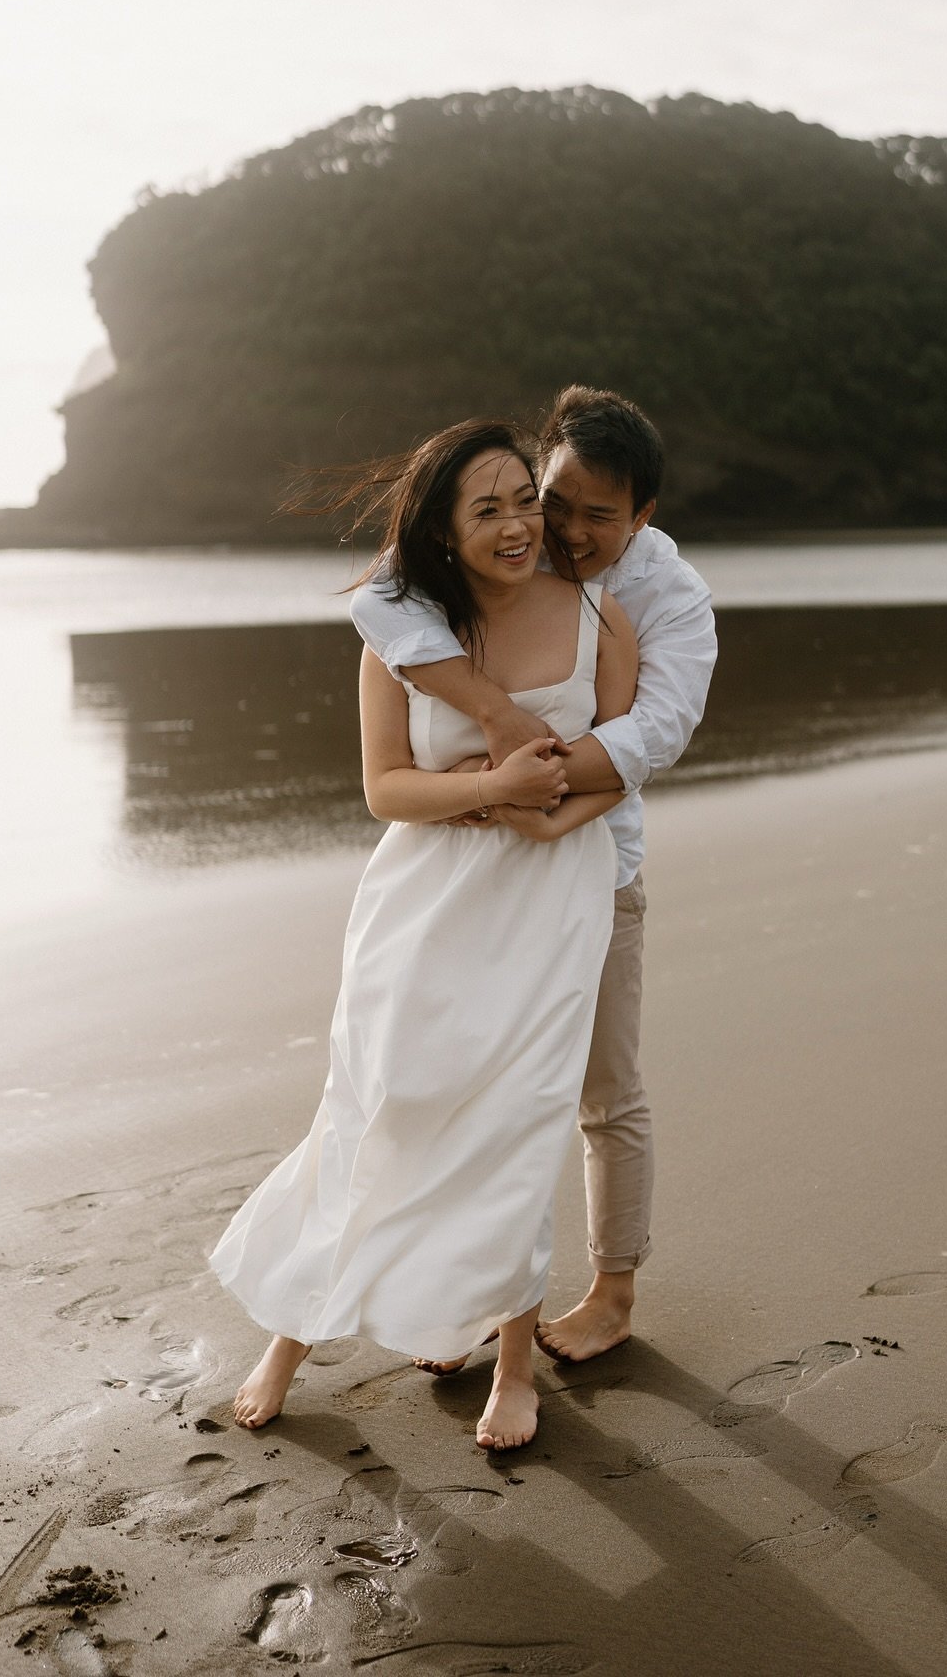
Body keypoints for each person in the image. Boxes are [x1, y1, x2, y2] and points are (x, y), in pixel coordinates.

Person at [209, 418, 638, 1449]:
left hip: (549, 901)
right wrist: (491, 783)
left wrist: (544, 810)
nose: (517, 525)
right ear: (443, 531)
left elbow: (620, 763)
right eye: (485, 509)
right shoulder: (404, 640)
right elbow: (384, 789)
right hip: (424, 905)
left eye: (522, 501)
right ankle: (292, 1332)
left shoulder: (601, 623)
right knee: (381, 1105)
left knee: (522, 1122)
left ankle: (516, 1361)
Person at [350, 385, 716, 1365]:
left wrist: (538, 794)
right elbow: (381, 600)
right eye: (558, 500)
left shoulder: (663, 594)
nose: (567, 528)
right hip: (465, 883)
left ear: (642, 517)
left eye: (603, 513)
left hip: (595, 869)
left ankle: (613, 1291)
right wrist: (500, 732)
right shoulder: (508, 533)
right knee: (468, 1095)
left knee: (606, 1092)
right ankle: (466, 1298)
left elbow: (657, 730)